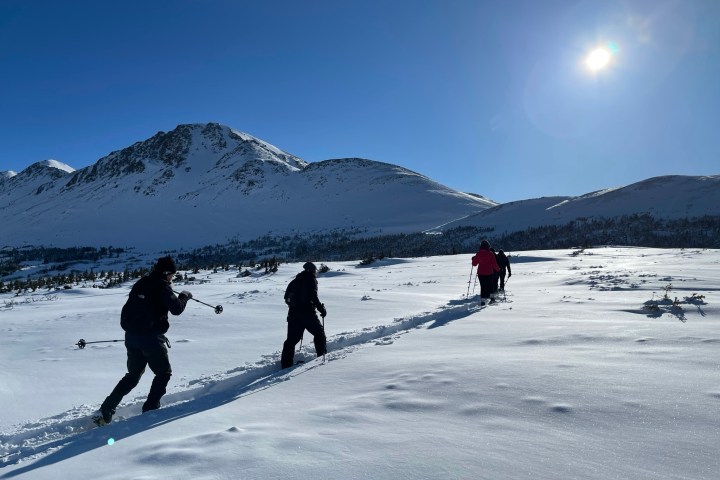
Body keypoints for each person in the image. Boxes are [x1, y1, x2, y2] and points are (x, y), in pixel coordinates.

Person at [95, 256, 192, 425]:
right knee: (163, 373)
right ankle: (150, 409)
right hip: (151, 338)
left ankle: (107, 408)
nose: (172, 278)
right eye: (172, 275)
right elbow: (176, 309)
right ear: (166, 273)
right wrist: (184, 296)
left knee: (132, 375)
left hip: (131, 337)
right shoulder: (162, 286)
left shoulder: (142, 282)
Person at [280, 262, 327, 369]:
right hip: (308, 314)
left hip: (293, 315)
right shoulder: (311, 280)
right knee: (319, 333)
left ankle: (285, 364)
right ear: (311, 271)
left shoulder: (294, 281)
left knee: (291, 340)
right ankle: (322, 357)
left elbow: (286, 298)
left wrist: (294, 307)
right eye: (314, 271)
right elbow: (313, 297)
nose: (315, 273)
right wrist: (321, 309)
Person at [471, 240, 500, 306]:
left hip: (480, 273)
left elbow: (474, 264)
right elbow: (494, 264)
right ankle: (492, 299)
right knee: (490, 285)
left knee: (483, 286)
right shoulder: (490, 253)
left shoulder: (478, 253)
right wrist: (498, 270)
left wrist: (474, 259)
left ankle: (483, 300)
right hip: (489, 272)